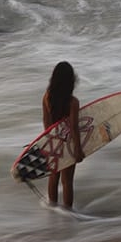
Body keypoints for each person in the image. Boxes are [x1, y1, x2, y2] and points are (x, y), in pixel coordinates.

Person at [42, 61, 85, 208]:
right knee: (67, 182)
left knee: (53, 177)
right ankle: (68, 213)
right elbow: (74, 127)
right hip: (68, 144)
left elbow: (46, 122)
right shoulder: (73, 102)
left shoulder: (47, 97)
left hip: (53, 143)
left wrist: (49, 143)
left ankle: (52, 209)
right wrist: (78, 150)